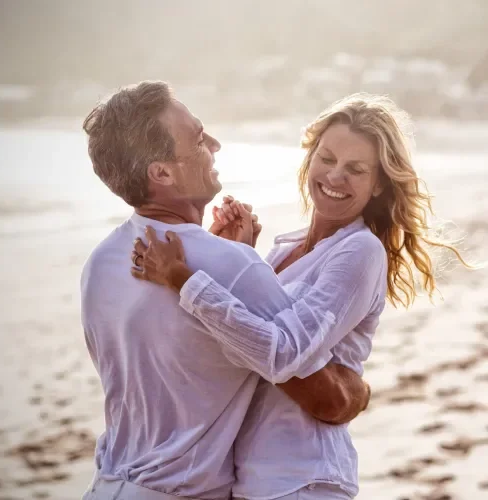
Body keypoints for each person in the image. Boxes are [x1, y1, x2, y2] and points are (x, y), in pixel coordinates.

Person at [131, 93, 469, 499]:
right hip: (251, 475)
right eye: (326, 159)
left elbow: (284, 353)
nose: (335, 177)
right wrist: (242, 258)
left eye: (355, 169)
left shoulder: (359, 251)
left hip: (303, 477)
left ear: (379, 183)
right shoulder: (284, 248)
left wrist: (184, 279)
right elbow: (253, 336)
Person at [80, 81, 370, 500]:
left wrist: (231, 258)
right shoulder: (231, 266)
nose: (215, 144)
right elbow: (324, 399)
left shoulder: (101, 262)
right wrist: (359, 392)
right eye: (199, 139)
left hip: (107, 486)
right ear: (162, 173)